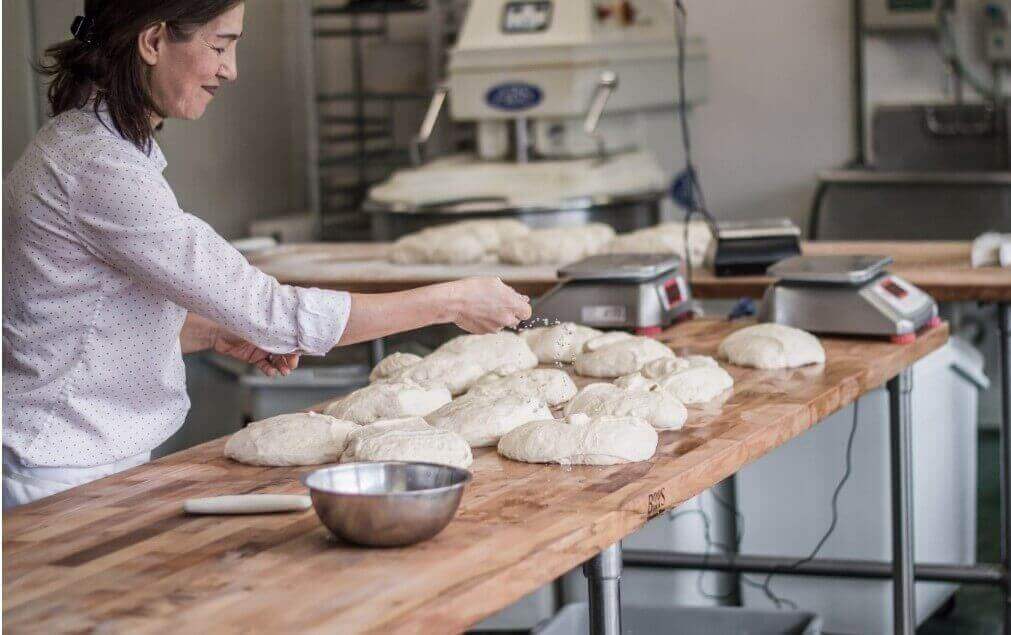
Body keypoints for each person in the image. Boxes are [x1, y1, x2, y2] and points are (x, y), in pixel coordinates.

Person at [2, 0, 531, 508]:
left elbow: (76, 322)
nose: (230, 70)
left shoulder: (91, 147)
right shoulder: (96, 168)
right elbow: (275, 314)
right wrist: (451, 301)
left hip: (82, 461)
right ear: (154, 40)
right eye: (221, 45)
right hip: (62, 476)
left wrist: (211, 331)